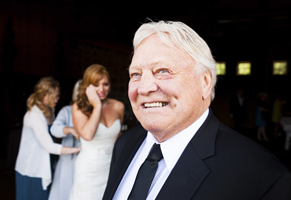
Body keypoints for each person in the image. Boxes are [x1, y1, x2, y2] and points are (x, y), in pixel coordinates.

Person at [103, 20, 291, 200]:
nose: (143, 88)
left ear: (205, 83)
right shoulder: (125, 145)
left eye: (162, 71)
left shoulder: (263, 178)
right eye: (135, 74)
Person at [14, 77, 80, 200]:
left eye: (58, 96)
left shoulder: (49, 111)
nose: (57, 99)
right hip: (32, 169)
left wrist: (69, 130)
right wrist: (76, 150)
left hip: (45, 163)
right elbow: (49, 146)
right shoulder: (35, 115)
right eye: (54, 96)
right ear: (44, 95)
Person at [69, 64, 124, 200]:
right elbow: (87, 135)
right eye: (96, 84)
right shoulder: (79, 107)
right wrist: (97, 106)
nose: (102, 89)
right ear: (88, 85)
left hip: (111, 166)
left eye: (105, 84)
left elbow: (118, 138)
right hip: (89, 169)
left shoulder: (118, 106)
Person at [48, 80, 82, 200]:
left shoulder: (95, 112)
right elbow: (54, 129)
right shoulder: (67, 111)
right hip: (68, 162)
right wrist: (70, 129)